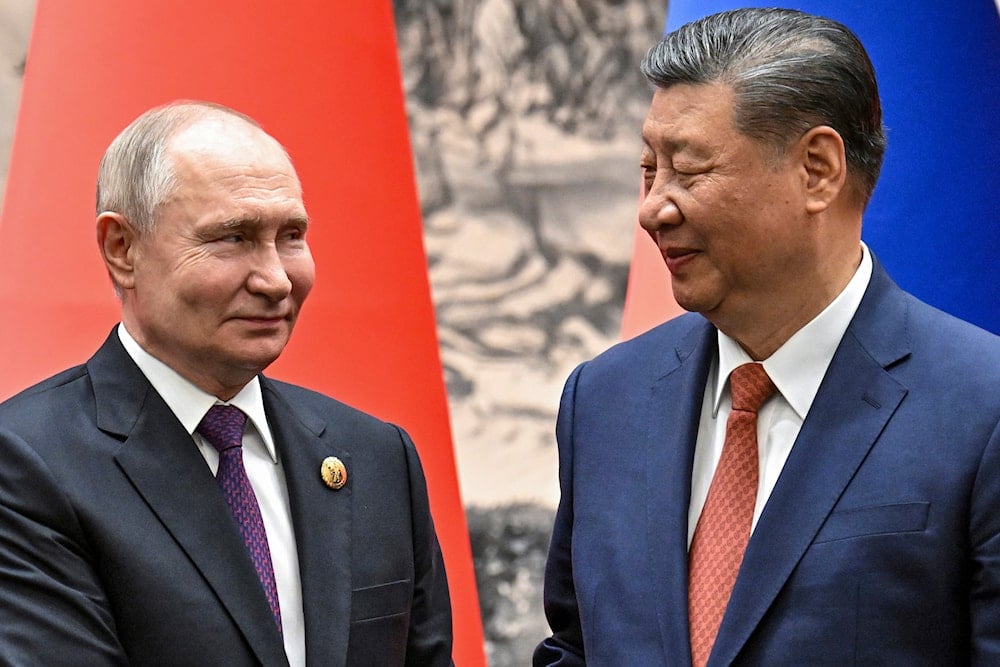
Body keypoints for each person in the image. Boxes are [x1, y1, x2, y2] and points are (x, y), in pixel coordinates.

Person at [534, 8, 1000, 666]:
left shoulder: (981, 410)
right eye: (648, 170)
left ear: (817, 168)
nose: (652, 208)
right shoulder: (606, 399)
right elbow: (576, 647)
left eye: (688, 170)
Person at [0, 101, 453, 665]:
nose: (275, 279)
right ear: (123, 249)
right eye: (232, 238)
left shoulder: (376, 456)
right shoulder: (26, 464)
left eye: (290, 235)